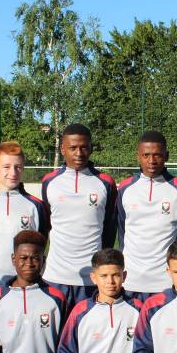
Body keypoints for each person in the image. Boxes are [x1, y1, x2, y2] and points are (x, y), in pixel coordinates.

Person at [41, 124, 117, 307]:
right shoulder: (50, 182)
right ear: (63, 149)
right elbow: (46, 225)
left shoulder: (105, 183)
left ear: (90, 147)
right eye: (73, 148)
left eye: (84, 147)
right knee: (57, 334)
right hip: (56, 275)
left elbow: (109, 228)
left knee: (89, 333)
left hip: (91, 278)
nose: (79, 153)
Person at [0, 141, 48, 311]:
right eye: (6, 167)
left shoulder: (35, 206)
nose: (12, 172)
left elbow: (41, 243)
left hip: (27, 288)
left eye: (18, 167)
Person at [117, 131, 177, 302]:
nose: (151, 160)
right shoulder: (125, 189)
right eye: (146, 155)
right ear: (138, 156)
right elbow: (120, 231)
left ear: (166, 156)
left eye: (157, 155)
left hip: (165, 282)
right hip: (130, 279)